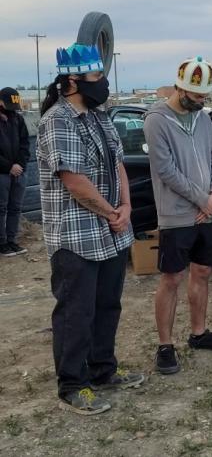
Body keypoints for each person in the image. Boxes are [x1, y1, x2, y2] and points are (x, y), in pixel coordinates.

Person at [36, 43, 144, 415]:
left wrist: (126, 206)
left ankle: (102, 369)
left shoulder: (99, 117)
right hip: (75, 235)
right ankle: (72, 384)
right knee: (75, 312)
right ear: (72, 81)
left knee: (107, 304)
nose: (103, 84)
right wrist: (112, 210)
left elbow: (117, 165)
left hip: (111, 231)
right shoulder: (57, 120)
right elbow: (74, 180)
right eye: (97, 78)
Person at [143, 56, 212, 375]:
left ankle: (199, 333)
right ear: (181, 88)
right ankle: (165, 345)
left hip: (206, 211)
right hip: (177, 215)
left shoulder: (203, 119)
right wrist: (202, 200)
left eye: (204, 97)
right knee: (171, 278)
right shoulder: (156, 120)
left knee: (203, 272)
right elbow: (165, 169)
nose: (201, 101)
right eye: (196, 96)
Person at [0, 87, 30, 256]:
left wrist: (19, 164)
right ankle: (2, 243)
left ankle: (12, 241)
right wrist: (8, 166)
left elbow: (25, 145)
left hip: (19, 173)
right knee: (1, 209)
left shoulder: (17, 119)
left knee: (15, 208)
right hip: (2, 174)